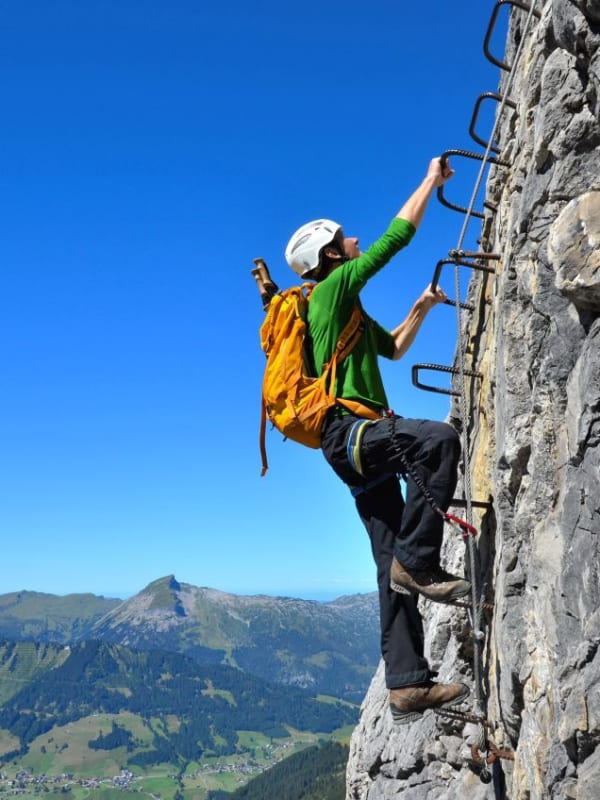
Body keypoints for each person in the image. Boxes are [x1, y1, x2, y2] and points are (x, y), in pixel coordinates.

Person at [284, 157, 471, 725]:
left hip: (349, 448)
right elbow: (394, 239)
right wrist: (429, 181)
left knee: (388, 563)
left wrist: (421, 307)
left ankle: (407, 684)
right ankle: (419, 561)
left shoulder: (344, 313)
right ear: (330, 257)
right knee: (437, 440)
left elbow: (392, 349)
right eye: (344, 239)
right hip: (353, 434)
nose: (354, 240)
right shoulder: (330, 291)